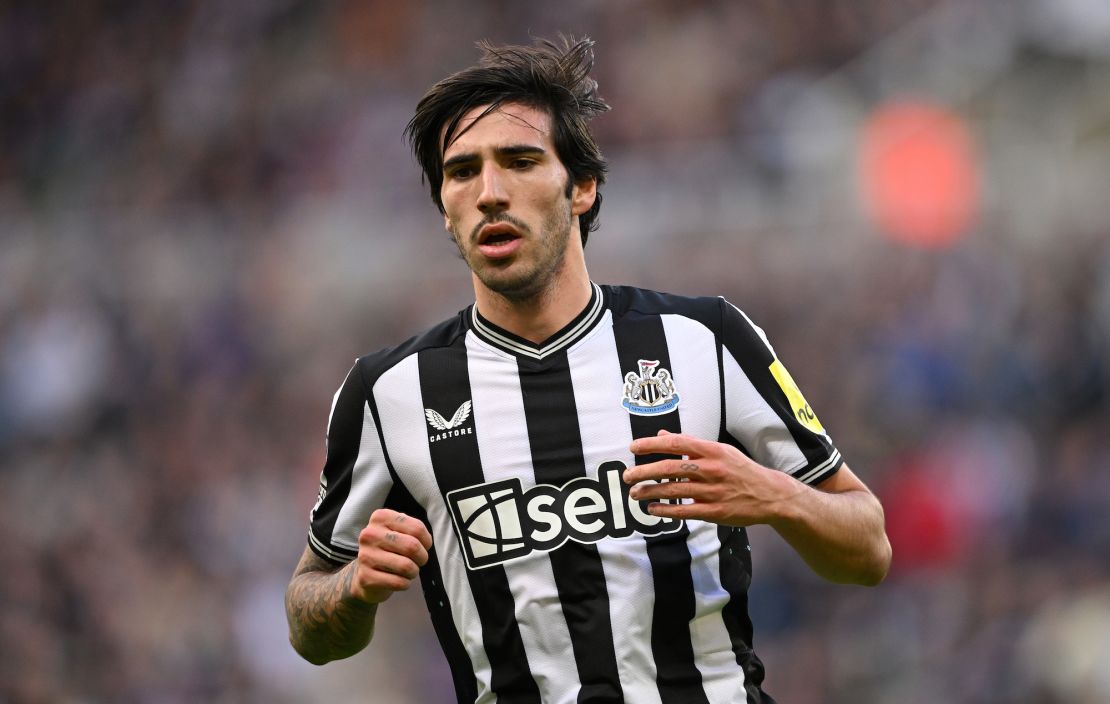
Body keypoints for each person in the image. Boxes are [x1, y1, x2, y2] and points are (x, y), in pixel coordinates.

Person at [285, 36, 891, 704]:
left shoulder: (703, 338)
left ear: (582, 187)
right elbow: (311, 626)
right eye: (461, 172)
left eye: (519, 161)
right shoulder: (389, 393)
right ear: (446, 213)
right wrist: (355, 589)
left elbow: (869, 549)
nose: (489, 192)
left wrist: (778, 497)